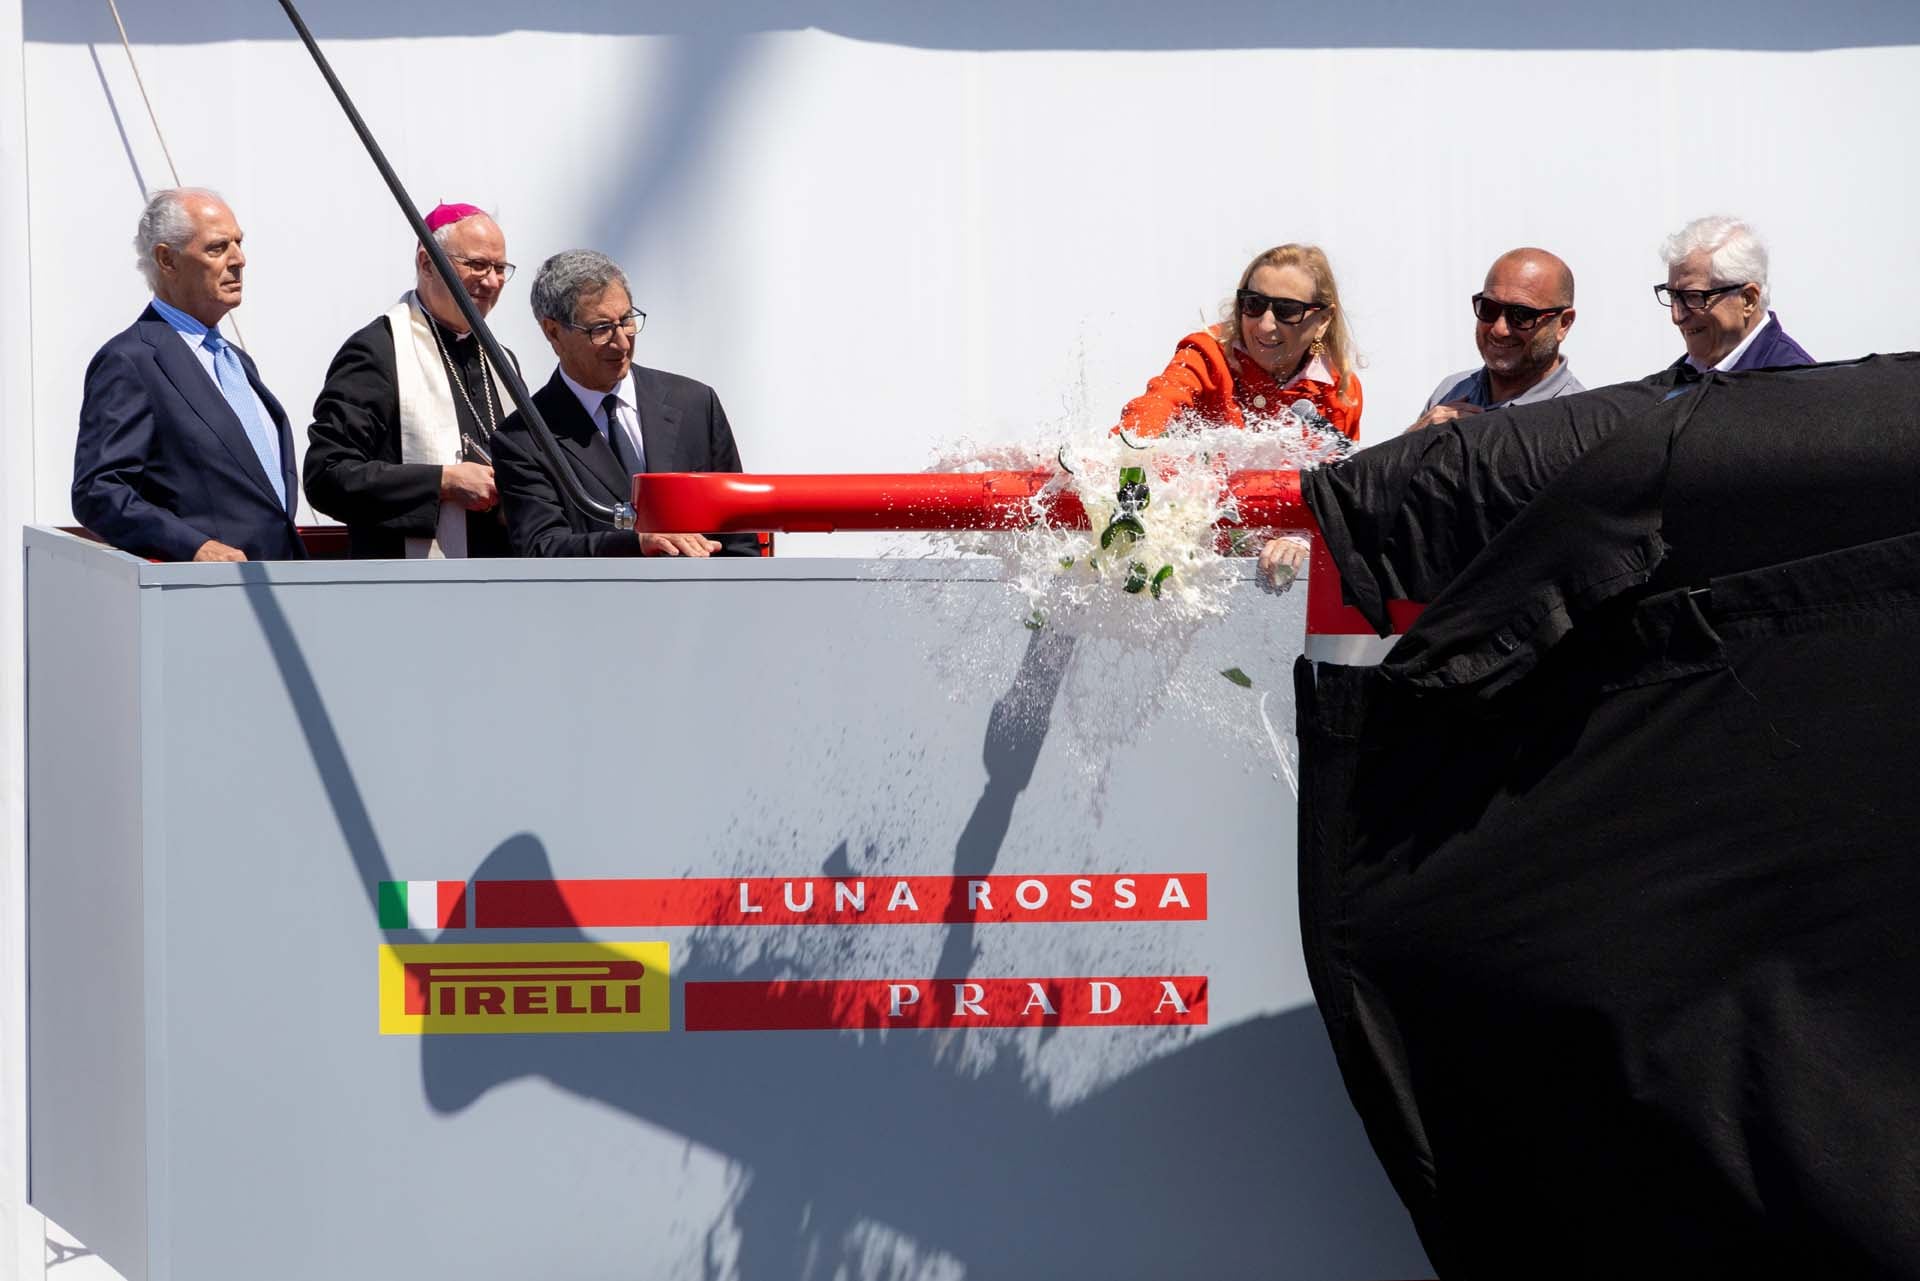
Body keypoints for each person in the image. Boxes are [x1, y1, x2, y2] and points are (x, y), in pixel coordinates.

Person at [72, 187, 303, 561]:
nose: (239, 259)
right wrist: (194, 547)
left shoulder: (236, 363)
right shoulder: (131, 361)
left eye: (239, 243)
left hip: (276, 586)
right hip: (203, 595)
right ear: (167, 260)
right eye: (217, 248)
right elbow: (99, 491)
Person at [1116, 243, 1362, 588]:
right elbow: (1155, 407)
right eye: (1254, 304)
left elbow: (1338, 495)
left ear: (1322, 320)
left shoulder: (1339, 393)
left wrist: (1298, 539)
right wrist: (1128, 452)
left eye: (1287, 310)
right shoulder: (1207, 354)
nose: (1264, 324)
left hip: (1269, 583)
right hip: (1184, 567)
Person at [491, 250, 757, 557]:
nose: (621, 342)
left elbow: (738, 535)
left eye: (627, 320)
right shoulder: (523, 439)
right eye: (600, 329)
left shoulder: (695, 404)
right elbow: (543, 548)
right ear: (553, 332)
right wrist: (638, 544)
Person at [303, 202, 515, 558]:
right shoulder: (378, 351)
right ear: (427, 262)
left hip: (505, 579)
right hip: (408, 586)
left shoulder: (500, 359)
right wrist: (444, 482)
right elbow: (327, 476)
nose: (492, 281)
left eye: (499, 268)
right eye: (477, 265)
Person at [1409, 248, 1582, 432]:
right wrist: (1417, 439)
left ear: (1563, 324)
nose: (1499, 329)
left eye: (1521, 315)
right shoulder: (1451, 392)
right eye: (1489, 308)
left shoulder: (1578, 421)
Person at [1658, 215, 1813, 375]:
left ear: (1748, 300)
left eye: (1693, 297)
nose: (1677, 317)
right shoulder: (1677, 380)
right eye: (1673, 296)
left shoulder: (1792, 386)